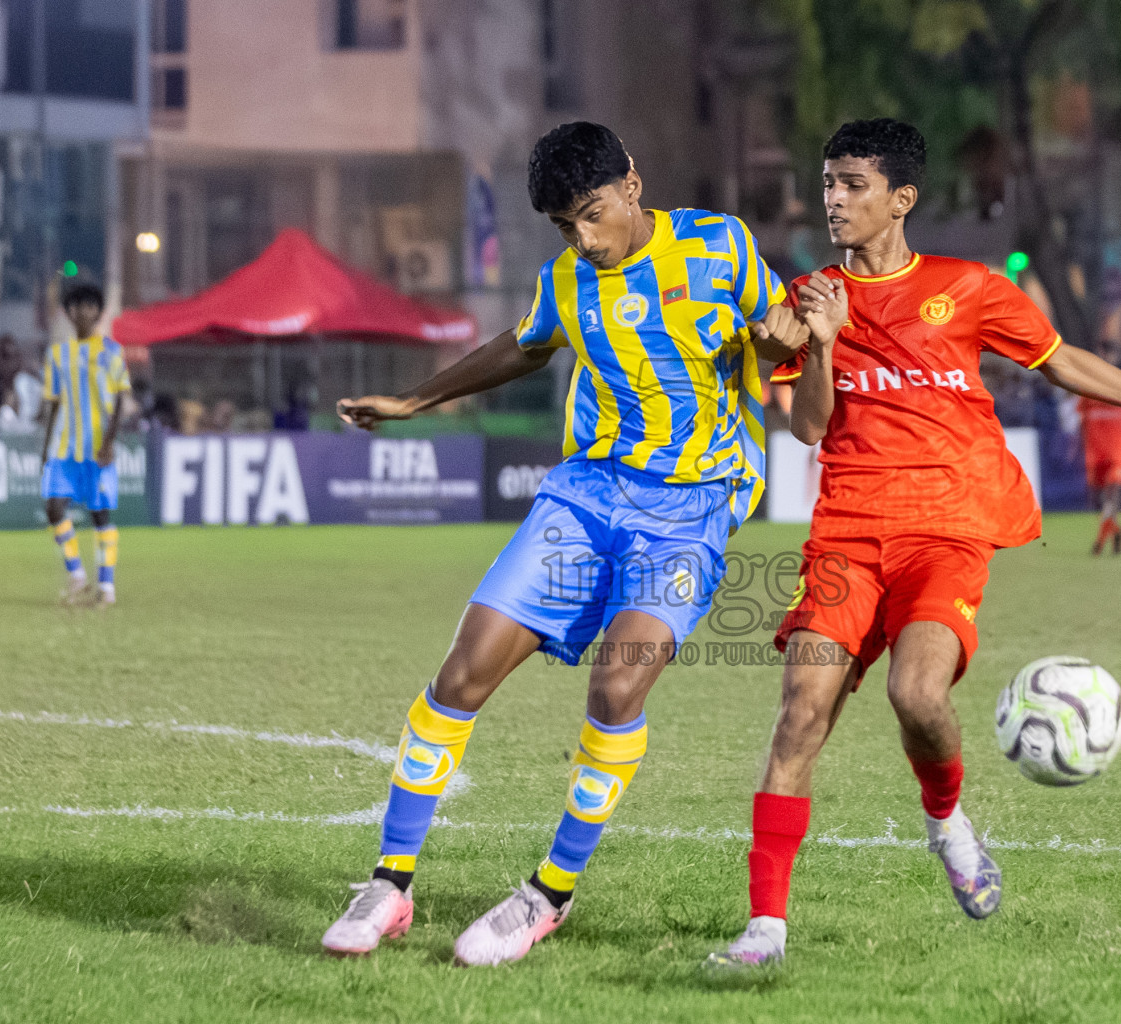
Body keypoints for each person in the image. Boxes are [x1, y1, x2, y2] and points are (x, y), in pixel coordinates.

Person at [707, 119, 1121, 969]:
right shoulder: (805, 297)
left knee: (917, 697)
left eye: (852, 184)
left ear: (901, 199)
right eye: (827, 183)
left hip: (947, 528)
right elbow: (807, 428)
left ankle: (946, 823)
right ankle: (765, 929)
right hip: (846, 535)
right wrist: (818, 341)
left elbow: (1064, 363)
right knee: (798, 717)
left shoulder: (968, 288)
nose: (833, 199)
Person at [319, 121, 808, 966]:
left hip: (689, 509)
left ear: (631, 185)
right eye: (562, 227)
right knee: (462, 670)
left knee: (617, 691)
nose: (583, 239)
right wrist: (414, 400)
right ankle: (390, 884)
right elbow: (521, 344)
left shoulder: (718, 247)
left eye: (589, 215)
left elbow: (774, 333)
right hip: (584, 497)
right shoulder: (567, 279)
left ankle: (548, 894)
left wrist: (789, 341)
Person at [38, 283, 131, 606]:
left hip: (96, 447)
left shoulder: (110, 351)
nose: (83, 312)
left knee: (99, 515)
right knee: (54, 509)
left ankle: (106, 587)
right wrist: (45, 447)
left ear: (98, 312)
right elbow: (53, 404)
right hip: (64, 448)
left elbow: (120, 400)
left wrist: (109, 442)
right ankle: (77, 575)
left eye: (90, 306)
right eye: (76, 306)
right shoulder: (57, 354)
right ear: (68, 313)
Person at [1077, 342, 1121, 555]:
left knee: (1112, 496)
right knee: (1100, 501)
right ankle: (1116, 530)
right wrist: (1075, 450)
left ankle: (1100, 541)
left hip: (1116, 452)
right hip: (1094, 453)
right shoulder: (1087, 389)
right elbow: (1082, 422)